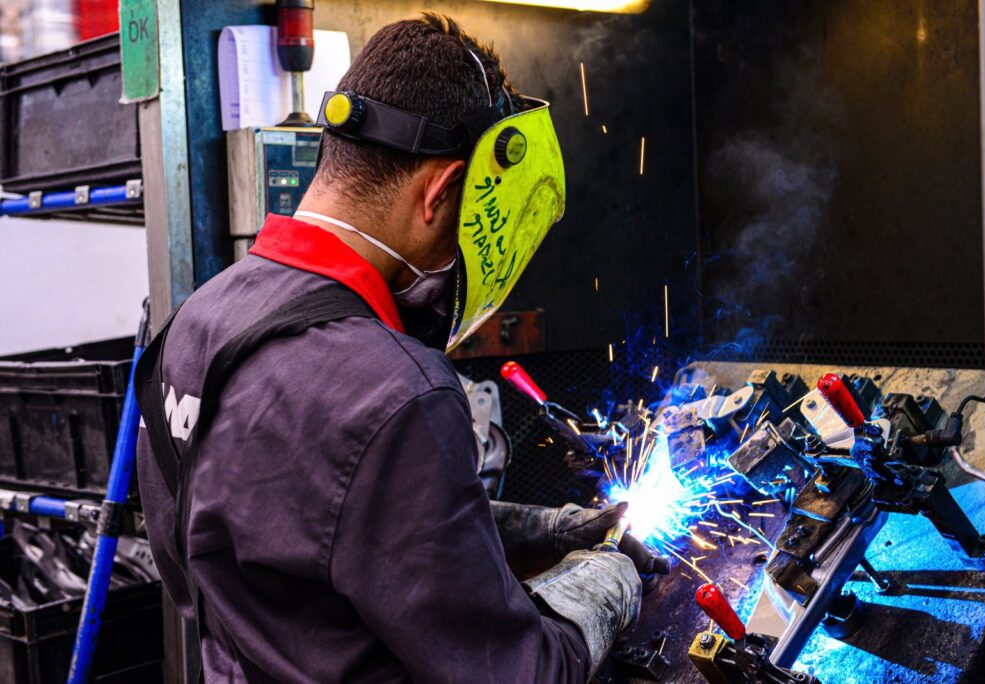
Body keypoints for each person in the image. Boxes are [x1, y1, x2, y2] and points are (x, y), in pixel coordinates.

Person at [133, 14, 667, 683]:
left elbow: (314, 528)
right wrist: (602, 593)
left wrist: (544, 532)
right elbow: (520, 673)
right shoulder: (396, 390)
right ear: (443, 193)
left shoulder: (195, 325)